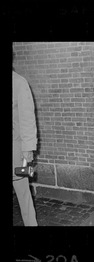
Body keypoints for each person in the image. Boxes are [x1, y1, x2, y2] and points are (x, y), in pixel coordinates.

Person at [13, 52, 38, 226]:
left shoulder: (19, 83)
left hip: (15, 149)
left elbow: (28, 118)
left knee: (22, 190)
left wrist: (28, 149)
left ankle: (31, 224)